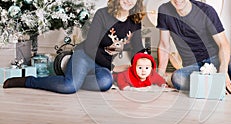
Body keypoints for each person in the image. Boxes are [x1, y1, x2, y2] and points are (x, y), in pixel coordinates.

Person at [3, 0, 145, 94]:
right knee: (69, 87)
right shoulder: (102, 14)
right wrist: (114, 68)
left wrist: (147, 65)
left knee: (106, 82)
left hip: (101, 65)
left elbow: (138, 48)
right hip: (85, 55)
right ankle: (28, 81)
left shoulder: (135, 20)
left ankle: (78, 78)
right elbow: (90, 47)